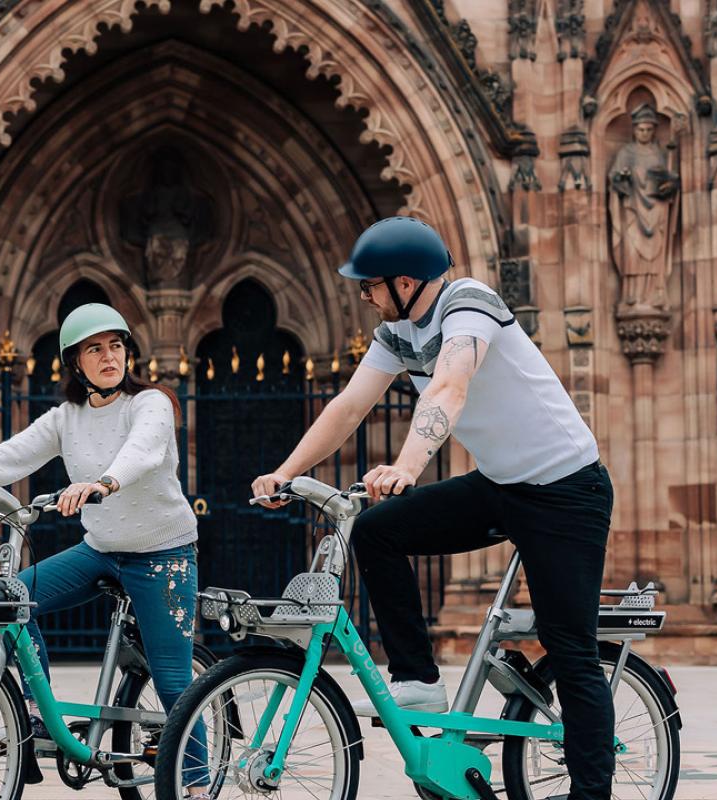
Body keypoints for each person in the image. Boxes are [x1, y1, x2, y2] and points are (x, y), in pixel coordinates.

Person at [252, 216, 615, 799]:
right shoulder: (397, 334)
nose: (364, 295)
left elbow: (450, 385)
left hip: (567, 492)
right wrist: (286, 472)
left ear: (404, 281)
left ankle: (591, 793)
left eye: (369, 284)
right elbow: (348, 407)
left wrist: (407, 468)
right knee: (376, 532)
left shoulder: (468, 303)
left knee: (570, 650)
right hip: (502, 485)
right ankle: (417, 677)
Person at [0, 302, 208, 790]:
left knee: (175, 682)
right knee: (11, 599)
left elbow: (144, 449)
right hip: (101, 549)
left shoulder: (150, 403)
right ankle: (36, 714)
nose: (109, 356)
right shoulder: (67, 416)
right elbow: (15, 452)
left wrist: (104, 483)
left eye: (116, 346)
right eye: (95, 349)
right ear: (76, 362)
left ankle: (198, 782)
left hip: (163, 555)